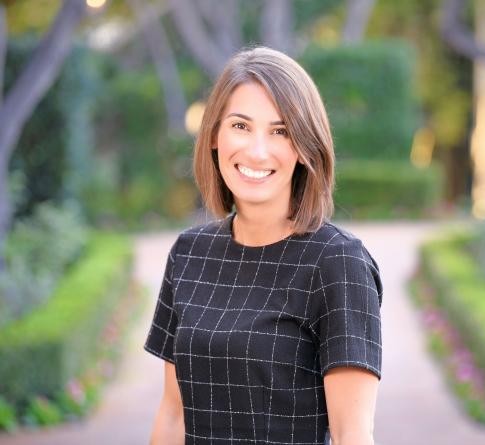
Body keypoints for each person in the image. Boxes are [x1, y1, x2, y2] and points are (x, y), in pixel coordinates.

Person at [144, 45, 383, 445]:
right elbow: (172, 414)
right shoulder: (188, 253)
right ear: (215, 135)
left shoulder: (338, 262)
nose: (257, 150)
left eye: (280, 131)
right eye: (240, 125)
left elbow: (352, 435)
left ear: (305, 148)